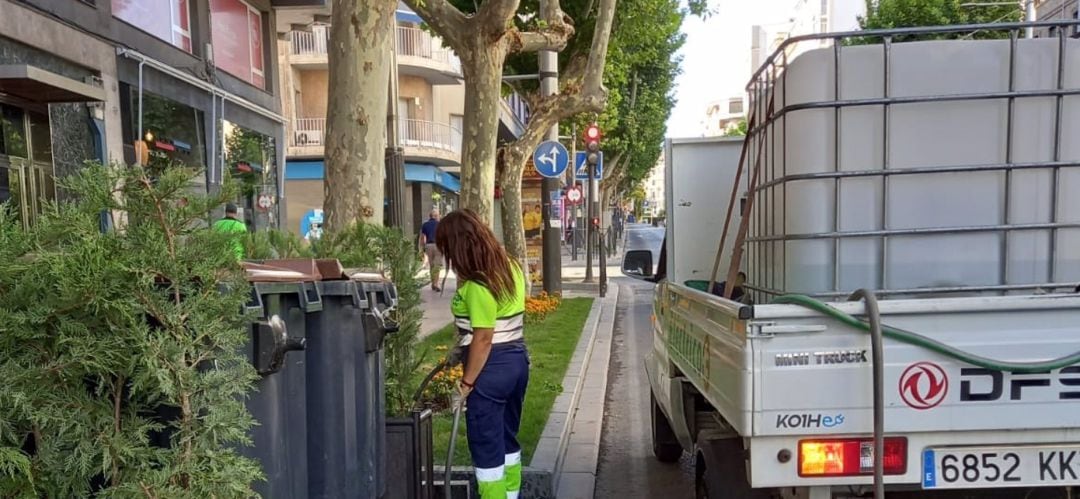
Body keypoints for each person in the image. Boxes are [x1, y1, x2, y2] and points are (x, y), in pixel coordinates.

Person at [435, 209, 529, 499]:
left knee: (486, 448)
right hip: (517, 363)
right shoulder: (510, 268)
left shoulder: (478, 286)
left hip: (490, 371)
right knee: (506, 439)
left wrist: (466, 385)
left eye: (447, 249)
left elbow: (484, 338)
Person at [419, 209, 443, 292]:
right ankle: (436, 284)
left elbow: (422, 238)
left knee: (432, 265)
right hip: (438, 246)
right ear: (436, 216)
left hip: (428, 246)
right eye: (438, 215)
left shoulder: (425, 225)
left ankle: (433, 283)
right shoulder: (440, 224)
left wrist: (421, 249)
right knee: (437, 266)